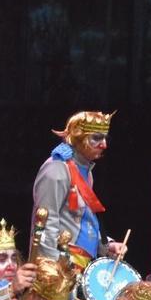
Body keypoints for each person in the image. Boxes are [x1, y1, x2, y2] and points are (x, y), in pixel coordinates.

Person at [31, 110, 127, 271]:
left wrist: (106, 245)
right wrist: (52, 270)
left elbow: (84, 220)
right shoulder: (57, 168)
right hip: (60, 266)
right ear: (78, 136)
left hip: (82, 264)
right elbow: (45, 222)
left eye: (105, 138)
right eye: (96, 138)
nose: (104, 145)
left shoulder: (86, 170)